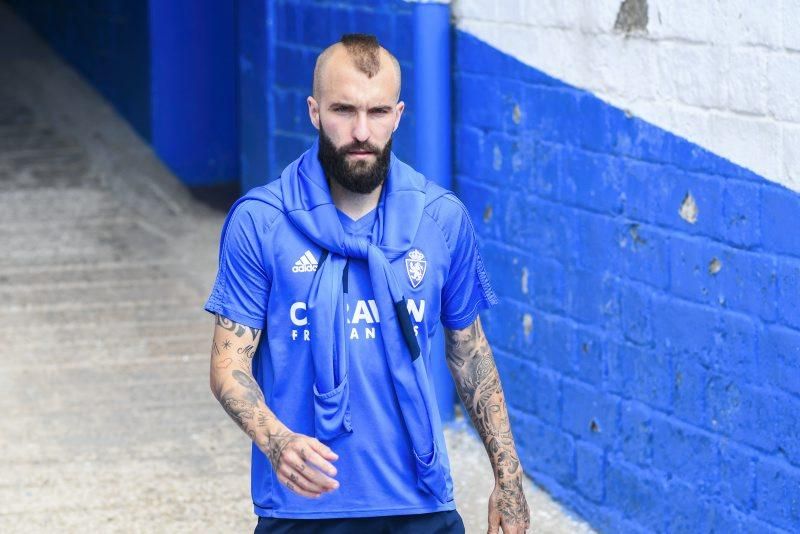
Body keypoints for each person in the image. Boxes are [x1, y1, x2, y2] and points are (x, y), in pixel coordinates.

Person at [204, 33, 530, 534]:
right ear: (314, 112)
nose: (361, 131)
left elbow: (470, 353)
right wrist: (277, 441)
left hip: (420, 505)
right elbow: (229, 366)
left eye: (377, 113)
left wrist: (508, 478)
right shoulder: (260, 222)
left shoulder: (441, 220)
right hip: (302, 510)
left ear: (398, 115)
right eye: (343, 110)